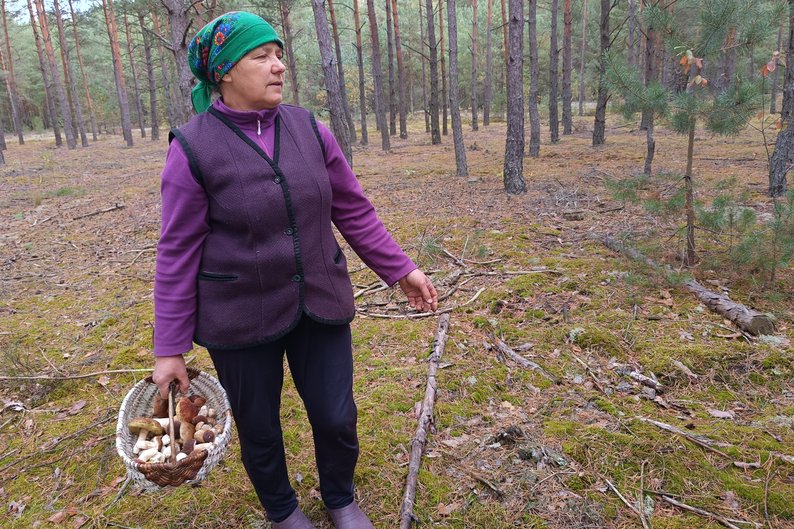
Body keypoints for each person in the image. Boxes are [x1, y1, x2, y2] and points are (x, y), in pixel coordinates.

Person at [150, 11, 438, 529]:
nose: (277, 66)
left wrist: (401, 270)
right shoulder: (192, 149)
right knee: (259, 426)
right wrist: (169, 349)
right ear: (223, 73)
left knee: (336, 415)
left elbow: (352, 209)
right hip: (238, 315)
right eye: (261, 57)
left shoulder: (310, 128)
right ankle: (282, 510)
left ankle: (341, 497)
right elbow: (175, 253)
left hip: (319, 300)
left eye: (278, 54)